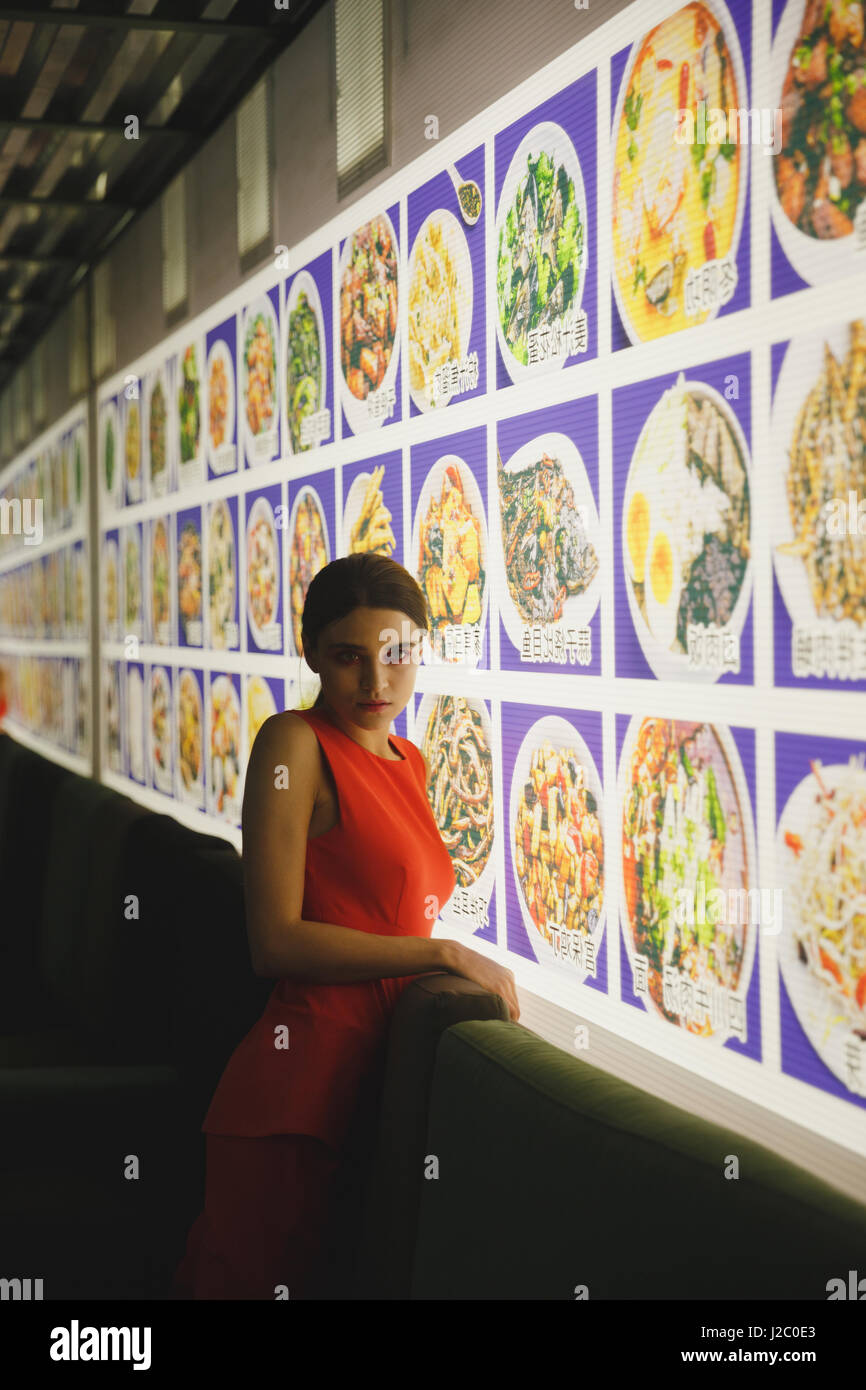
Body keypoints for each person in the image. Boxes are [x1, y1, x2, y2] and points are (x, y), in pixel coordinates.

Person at [171, 553, 519, 1300]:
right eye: (349, 658)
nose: (375, 683)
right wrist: (444, 950)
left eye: (396, 656)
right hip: (298, 1099)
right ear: (312, 655)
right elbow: (275, 941)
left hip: (374, 1089)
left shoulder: (413, 760)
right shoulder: (292, 743)